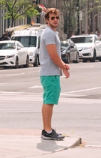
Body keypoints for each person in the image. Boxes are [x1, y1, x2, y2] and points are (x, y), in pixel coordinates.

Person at [39, 8, 70, 141]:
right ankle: (47, 130)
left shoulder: (51, 33)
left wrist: (63, 65)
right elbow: (53, 55)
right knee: (49, 101)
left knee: (48, 100)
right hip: (49, 73)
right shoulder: (49, 34)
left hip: (50, 72)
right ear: (47, 20)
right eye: (52, 18)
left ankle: (47, 129)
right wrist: (63, 66)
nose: (55, 20)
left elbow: (55, 55)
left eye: (57, 17)